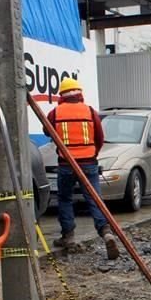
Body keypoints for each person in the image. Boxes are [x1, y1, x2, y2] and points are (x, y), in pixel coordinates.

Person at [47, 78, 119, 260]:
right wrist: (93, 154)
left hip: (66, 164)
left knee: (65, 199)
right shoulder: (89, 111)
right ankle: (106, 232)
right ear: (79, 93)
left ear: (61, 95)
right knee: (95, 199)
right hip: (88, 163)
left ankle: (68, 237)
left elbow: (48, 131)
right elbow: (100, 137)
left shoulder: (55, 113)